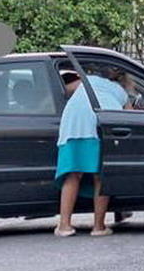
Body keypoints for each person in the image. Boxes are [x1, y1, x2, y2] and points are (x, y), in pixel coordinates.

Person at [55, 67, 130, 237]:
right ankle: (98, 227)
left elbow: (63, 89)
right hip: (101, 127)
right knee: (101, 177)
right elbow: (129, 118)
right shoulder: (121, 92)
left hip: (75, 126)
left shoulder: (87, 81)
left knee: (73, 175)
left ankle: (64, 226)